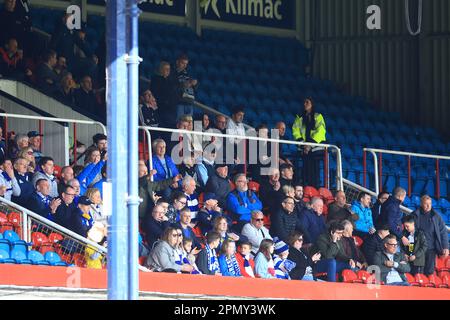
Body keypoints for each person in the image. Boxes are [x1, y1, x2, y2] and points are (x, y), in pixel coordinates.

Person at [292, 97, 326, 188]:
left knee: (314, 172)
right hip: (304, 149)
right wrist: (303, 145)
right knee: (305, 171)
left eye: (307, 102)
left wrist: (310, 145)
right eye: (304, 102)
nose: (305, 104)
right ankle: (305, 188)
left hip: (315, 149)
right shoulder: (299, 118)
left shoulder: (318, 116)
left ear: (312, 104)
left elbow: (321, 131)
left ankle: (314, 188)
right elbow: (295, 131)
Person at [411, 195, 449, 275]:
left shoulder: (436, 216)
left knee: (429, 272)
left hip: (431, 249)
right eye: (426, 204)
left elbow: (443, 232)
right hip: (418, 249)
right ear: (421, 204)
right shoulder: (414, 215)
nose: (428, 206)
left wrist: (445, 247)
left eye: (430, 204)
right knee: (417, 272)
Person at [150, 61, 179, 129]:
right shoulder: (155, 79)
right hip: (162, 108)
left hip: (172, 109)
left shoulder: (170, 81)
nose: (168, 71)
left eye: (169, 69)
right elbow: (156, 93)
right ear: (161, 69)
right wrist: (164, 102)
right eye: (166, 69)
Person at [174, 54, 198, 120]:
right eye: (183, 63)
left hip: (190, 101)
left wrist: (194, 84)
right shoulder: (173, 73)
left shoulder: (188, 73)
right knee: (179, 122)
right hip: (180, 101)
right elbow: (172, 86)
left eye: (186, 64)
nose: (185, 66)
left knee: (188, 123)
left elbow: (194, 88)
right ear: (177, 62)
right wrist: (183, 85)